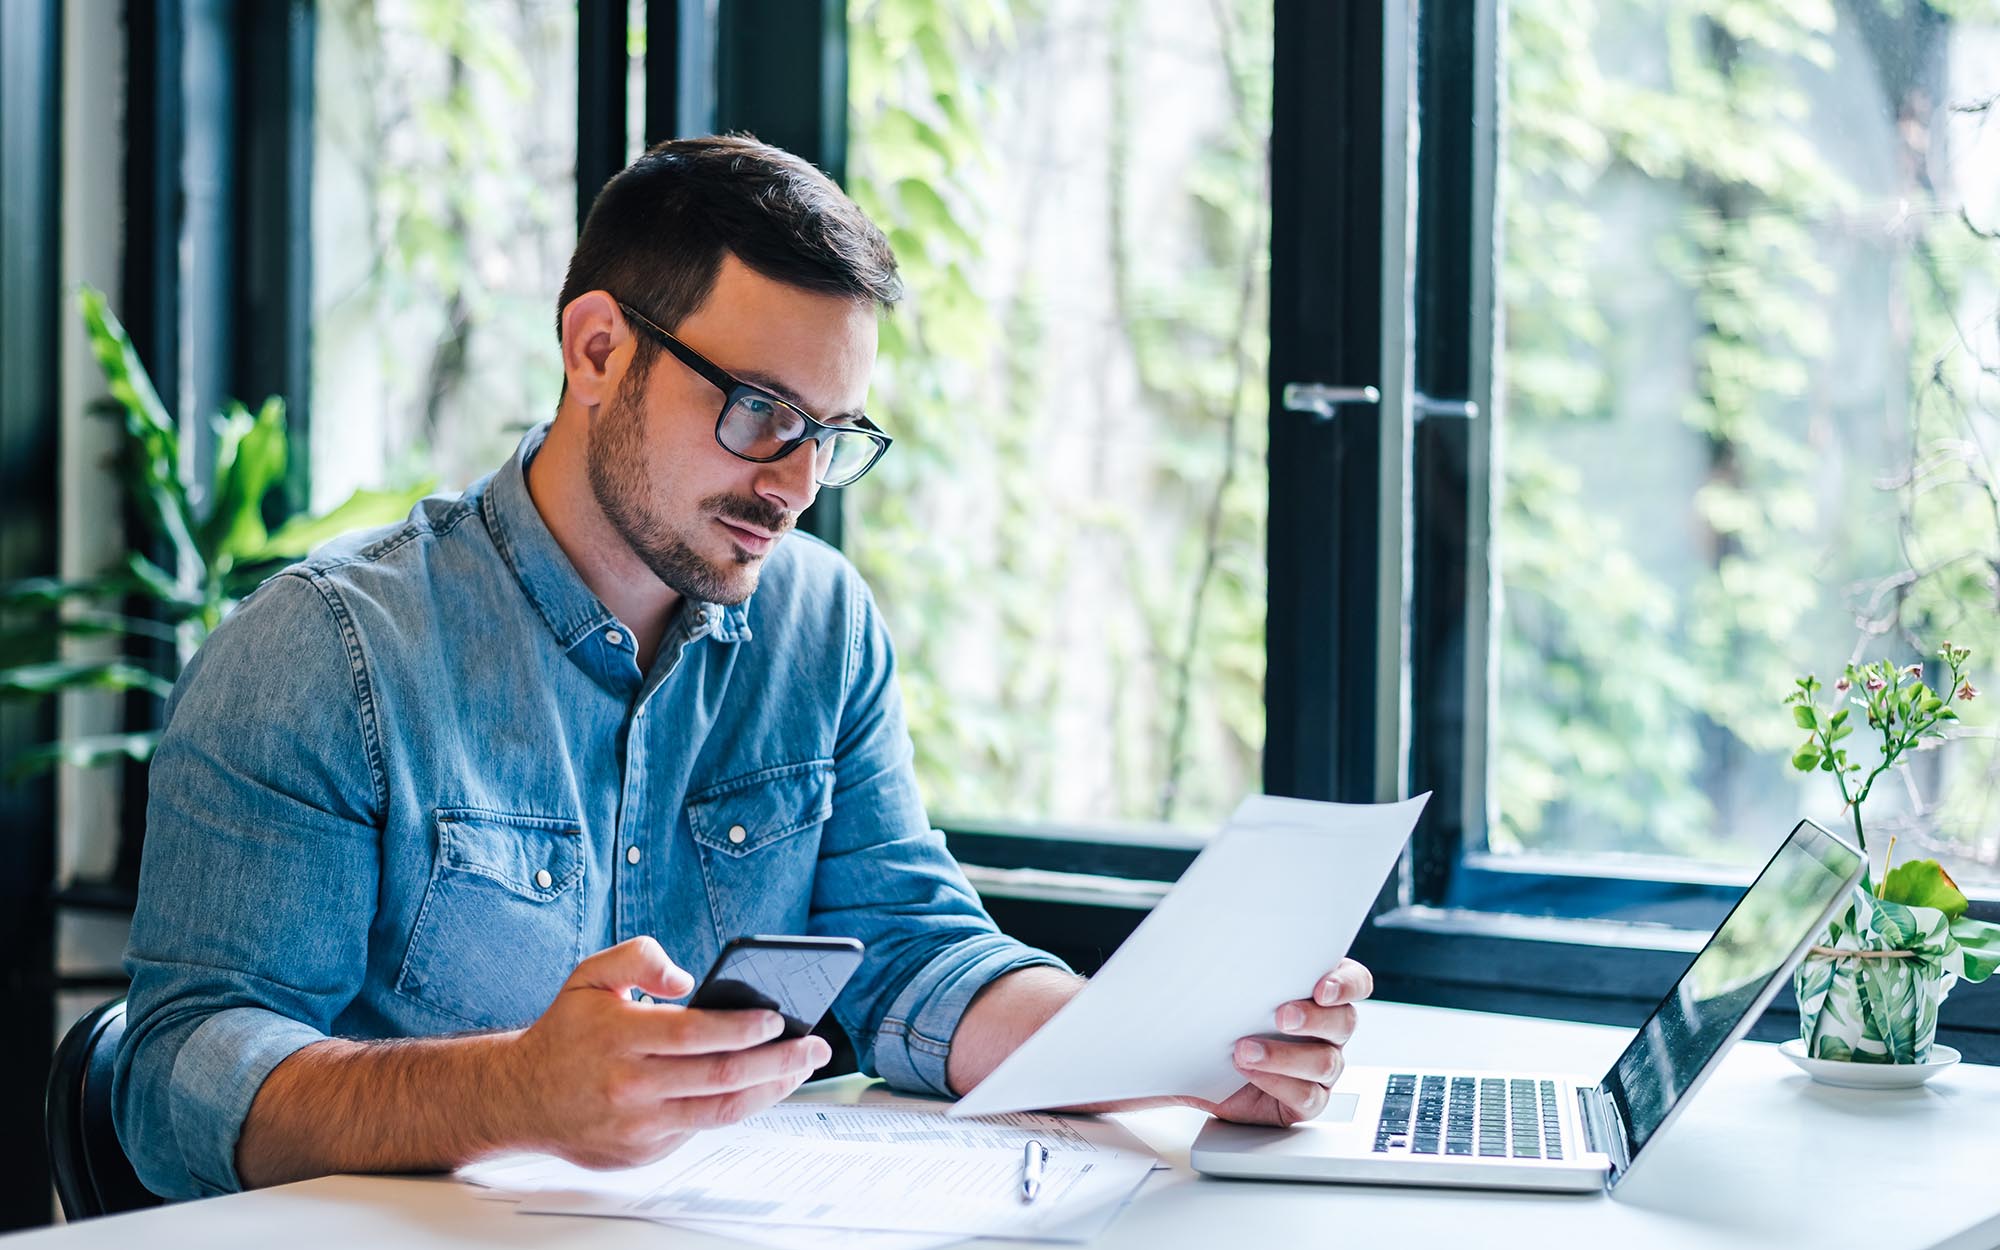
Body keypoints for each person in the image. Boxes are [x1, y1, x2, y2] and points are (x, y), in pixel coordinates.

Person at [112, 134, 1373, 1200]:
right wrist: (510, 1090)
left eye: (830, 434)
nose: (794, 485)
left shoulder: (818, 625)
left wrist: (1175, 1045)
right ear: (598, 349)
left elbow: (906, 946)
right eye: (760, 411)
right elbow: (177, 1079)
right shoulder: (328, 650)